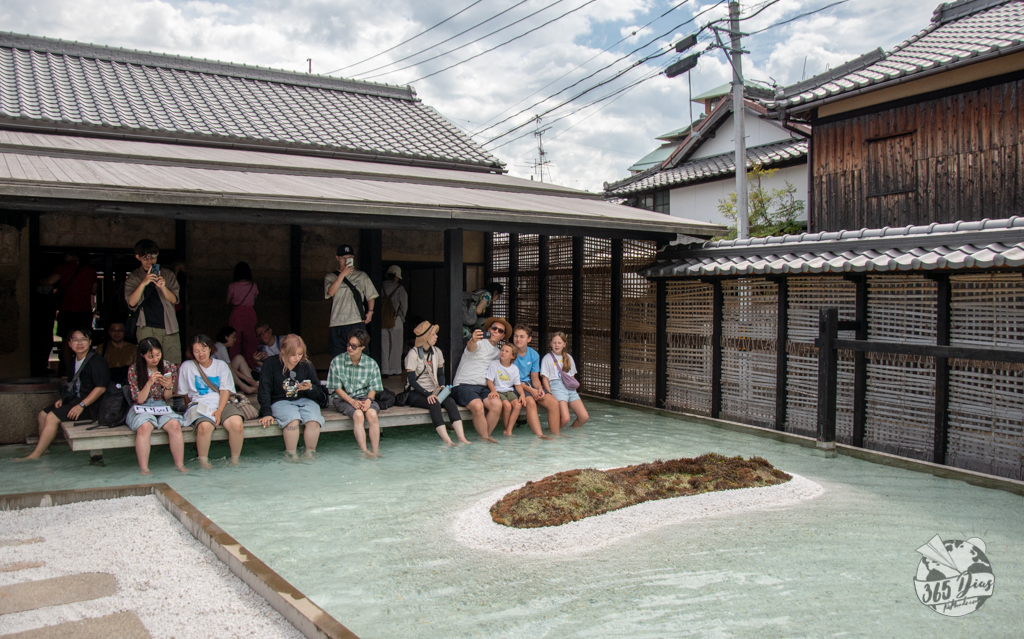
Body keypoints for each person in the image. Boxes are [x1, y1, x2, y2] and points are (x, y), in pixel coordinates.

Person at [17, 327, 109, 461]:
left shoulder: (97, 362)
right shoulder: (73, 361)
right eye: (75, 340)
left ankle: (35, 455)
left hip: (92, 406)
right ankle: (44, 449)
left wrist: (81, 405)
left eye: (83, 339)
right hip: (77, 401)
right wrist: (63, 399)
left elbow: (100, 388)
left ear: (90, 342)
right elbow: (72, 385)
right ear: (69, 344)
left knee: (52, 417)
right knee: (42, 415)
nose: (79, 343)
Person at [178, 334, 246, 468]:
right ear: (192, 352)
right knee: (204, 427)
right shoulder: (186, 366)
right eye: (196, 351)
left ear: (210, 348)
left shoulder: (221, 365)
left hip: (222, 402)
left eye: (204, 350)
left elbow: (225, 391)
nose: (201, 354)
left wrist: (219, 411)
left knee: (237, 424)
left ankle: (235, 459)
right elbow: (185, 394)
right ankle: (203, 461)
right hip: (199, 404)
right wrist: (189, 411)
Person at [257, 334, 326, 459]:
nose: (297, 358)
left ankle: (310, 454)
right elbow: (264, 390)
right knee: (292, 420)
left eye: (300, 354)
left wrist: (309, 388)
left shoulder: (306, 364)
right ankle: (291, 455)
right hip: (280, 400)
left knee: (313, 420)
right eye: (293, 355)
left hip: (305, 400)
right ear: (283, 350)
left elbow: (318, 390)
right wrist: (266, 412)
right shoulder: (270, 363)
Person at [126, 337, 187, 475]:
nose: (155, 359)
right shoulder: (134, 369)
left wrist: (168, 386)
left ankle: (180, 465)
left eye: (158, 354)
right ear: (142, 355)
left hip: (161, 404)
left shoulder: (169, 367)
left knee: (175, 425)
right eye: (150, 356)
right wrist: (149, 383)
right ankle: (144, 469)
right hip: (142, 405)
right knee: (144, 427)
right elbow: (139, 399)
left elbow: (167, 397)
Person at [405, 321, 470, 446]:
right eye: (433, 334)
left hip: (434, 389)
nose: (436, 336)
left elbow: (440, 374)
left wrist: (442, 387)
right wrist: (427, 394)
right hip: (416, 392)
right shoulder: (413, 354)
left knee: (450, 402)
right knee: (434, 403)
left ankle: (461, 437)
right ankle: (447, 440)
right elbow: (412, 381)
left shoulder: (437, 351)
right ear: (426, 337)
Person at [327, 329, 384, 458]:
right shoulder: (337, 361)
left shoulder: (371, 364)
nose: (349, 348)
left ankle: (375, 450)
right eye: (348, 344)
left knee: (372, 414)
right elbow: (337, 388)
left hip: (364, 397)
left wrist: (369, 400)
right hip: (343, 398)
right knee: (358, 415)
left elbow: (374, 387)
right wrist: (352, 401)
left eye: (354, 346)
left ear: (362, 347)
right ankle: (364, 451)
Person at [451, 317, 510, 443]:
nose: (496, 331)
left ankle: (484, 438)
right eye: (494, 328)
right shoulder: (479, 342)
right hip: (464, 384)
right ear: (489, 329)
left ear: (502, 336)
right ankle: (486, 439)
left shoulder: (498, 353)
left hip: (483, 387)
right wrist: (473, 340)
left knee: (497, 405)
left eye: (500, 331)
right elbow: (471, 347)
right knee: (478, 406)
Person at [39, 252, 97, 374]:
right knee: (85, 339)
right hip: (85, 310)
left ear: (75, 255)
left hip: (67, 309)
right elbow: (94, 290)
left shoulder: (63, 268)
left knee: (66, 340)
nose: (65, 256)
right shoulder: (91, 270)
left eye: (68, 254)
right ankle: (84, 368)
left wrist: (38, 280)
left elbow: (50, 281)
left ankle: (68, 369)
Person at [126, 239, 181, 364]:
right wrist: (143, 283)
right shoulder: (134, 277)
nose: (150, 260)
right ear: (138, 257)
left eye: (153, 256)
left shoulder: (167, 274)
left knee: (172, 364)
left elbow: (174, 300)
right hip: (146, 326)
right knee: (148, 363)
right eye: (145, 257)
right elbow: (131, 302)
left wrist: (163, 287)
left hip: (169, 326)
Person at [324, 245, 378, 358]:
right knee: (338, 357)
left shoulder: (361, 276)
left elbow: (371, 295)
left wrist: (370, 312)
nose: (346, 261)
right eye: (343, 258)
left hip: (356, 321)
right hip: (337, 322)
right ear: (337, 258)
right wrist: (342, 274)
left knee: (360, 356)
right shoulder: (331, 277)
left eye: (349, 258)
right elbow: (330, 292)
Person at [512, 325, 562, 437]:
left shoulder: (534, 354)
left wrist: (539, 389)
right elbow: (512, 380)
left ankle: (555, 434)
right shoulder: (509, 353)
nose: (518, 339)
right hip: (514, 385)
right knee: (530, 402)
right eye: (516, 336)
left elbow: (535, 378)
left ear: (529, 339)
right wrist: (531, 391)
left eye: (521, 337)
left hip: (528, 383)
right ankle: (540, 435)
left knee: (553, 402)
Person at [487, 343, 539, 438]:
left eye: (507, 351)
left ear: (513, 356)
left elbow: (517, 385)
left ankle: (509, 429)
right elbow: (489, 380)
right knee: (507, 405)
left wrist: (522, 395)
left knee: (518, 405)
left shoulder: (514, 368)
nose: (503, 352)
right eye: (502, 350)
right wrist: (493, 391)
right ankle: (506, 428)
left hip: (509, 391)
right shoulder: (494, 364)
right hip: (498, 391)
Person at [541, 332, 589, 430]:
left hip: (570, 389)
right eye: (554, 342)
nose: (556, 345)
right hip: (556, 387)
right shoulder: (547, 358)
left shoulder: (569, 357)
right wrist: (549, 393)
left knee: (584, 417)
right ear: (550, 343)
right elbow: (545, 378)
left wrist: (574, 391)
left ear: (564, 344)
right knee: (565, 418)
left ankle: (568, 432)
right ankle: (553, 432)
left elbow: (572, 376)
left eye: (559, 343)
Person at [227, 262, 260, 369]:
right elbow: (255, 297)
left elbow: (227, 301)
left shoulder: (232, 286)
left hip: (236, 314)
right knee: (251, 342)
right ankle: (252, 367)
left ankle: (234, 368)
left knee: (234, 341)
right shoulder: (253, 286)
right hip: (250, 315)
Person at [380, 265, 408, 376]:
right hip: (396, 319)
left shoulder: (380, 286)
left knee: (383, 346)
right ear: (397, 276)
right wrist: (401, 317)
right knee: (396, 345)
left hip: (382, 319)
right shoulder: (400, 288)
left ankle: (384, 369)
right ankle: (394, 369)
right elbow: (404, 306)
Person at [214, 326, 259, 394]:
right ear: (226, 337)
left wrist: (248, 379)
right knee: (229, 369)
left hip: (222, 373)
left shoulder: (219, 346)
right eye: (233, 337)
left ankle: (253, 384)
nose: (235, 339)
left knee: (239, 358)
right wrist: (246, 379)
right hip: (217, 377)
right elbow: (229, 369)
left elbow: (230, 367)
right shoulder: (221, 348)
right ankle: (245, 386)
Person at [99, 320, 137, 385]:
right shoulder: (101, 348)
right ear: (109, 331)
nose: (117, 333)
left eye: (120, 330)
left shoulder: (133, 348)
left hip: (128, 382)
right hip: (108, 382)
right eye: (114, 330)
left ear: (124, 331)